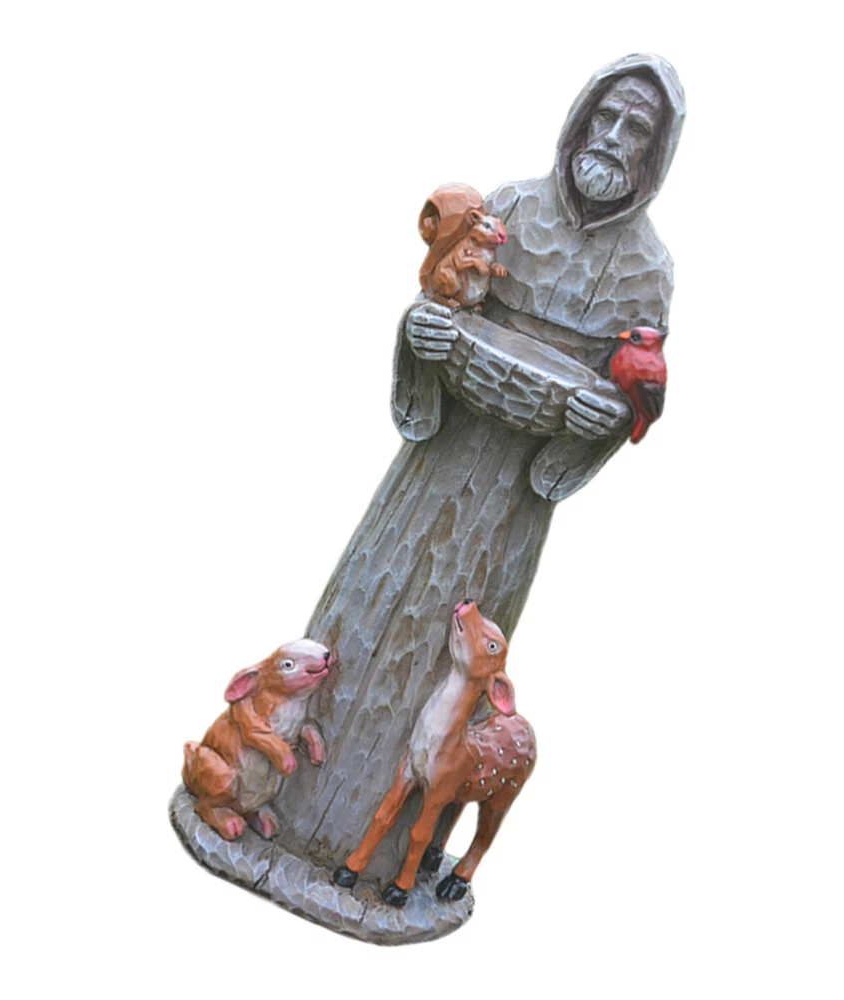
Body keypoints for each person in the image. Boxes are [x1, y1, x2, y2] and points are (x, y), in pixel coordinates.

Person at [275, 54, 685, 879]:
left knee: (454, 663)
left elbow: (630, 395)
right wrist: (419, 337)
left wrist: (599, 425)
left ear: (656, 153)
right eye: (604, 117)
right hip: (433, 469)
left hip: (509, 508)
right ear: (578, 120)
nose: (613, 137)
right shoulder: (512, 207)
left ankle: (389, 854)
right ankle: (281, 801)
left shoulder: (649, 269)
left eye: (636, 128)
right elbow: (441, 299)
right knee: (363, 617)